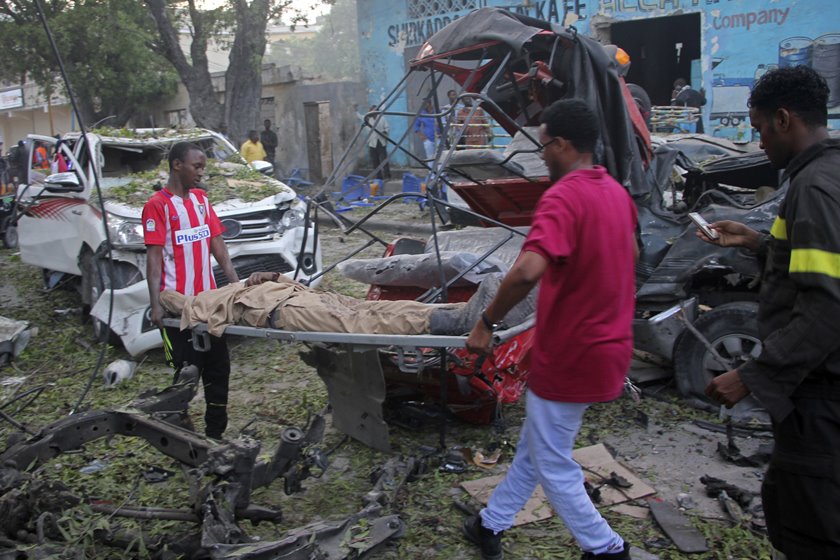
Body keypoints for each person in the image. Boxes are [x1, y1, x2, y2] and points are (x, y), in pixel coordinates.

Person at [462, 98, 637, 560]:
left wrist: (485, 323)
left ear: (560, 144)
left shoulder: (563, 196)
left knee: (553, 462)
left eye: (542, 147)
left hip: (571, 353)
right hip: (608, 347)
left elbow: (524, 272)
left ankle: (605, 549)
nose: (541, 157)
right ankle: (488, 523)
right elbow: (631, 258)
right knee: (539, 445)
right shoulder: (615, 193)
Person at [698, 66, 840, 560]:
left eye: (759, 128)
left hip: (821, 398)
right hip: (816, 395)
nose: (758, 143)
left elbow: (826, 306)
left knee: (811, 528)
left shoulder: (814, 190)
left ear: (783, 119)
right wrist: (756, 242)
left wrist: (755, 375)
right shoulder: (828, 174)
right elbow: (809, 264)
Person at [143, 142, 239, 440]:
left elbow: (218, 247)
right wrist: (155, 305)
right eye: (196, 166)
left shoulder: (201, 200)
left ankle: (215, 436)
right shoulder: (157, 205)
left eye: (203, 167)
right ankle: (174, 432)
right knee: (186, 372)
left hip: (209, 306)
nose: (201, 172)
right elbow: (154, 259)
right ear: (176, 165)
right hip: (177, 309)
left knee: (219, 370)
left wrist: (237, 286)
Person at [358, 105, 391, 180]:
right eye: (371, 111)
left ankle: (387, 176)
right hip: (372, 143)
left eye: (374, 111)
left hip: (381, 142)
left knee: (384, 160)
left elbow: (387, 127)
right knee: (375, 161)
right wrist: (355, 111)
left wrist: (385, 132)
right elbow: (360, 116)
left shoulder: (382, 119)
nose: (373, 113)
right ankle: (379, 177)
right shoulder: (368, 119)